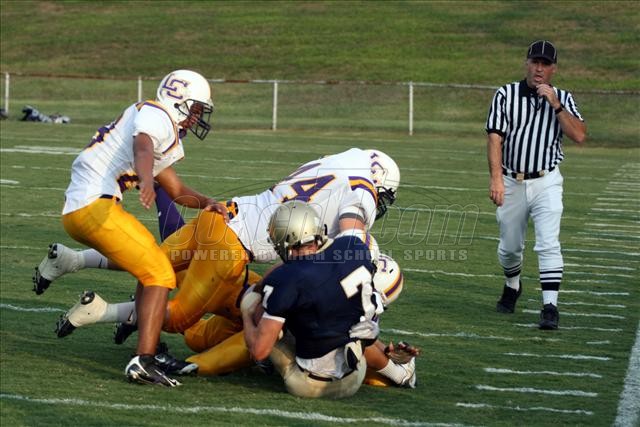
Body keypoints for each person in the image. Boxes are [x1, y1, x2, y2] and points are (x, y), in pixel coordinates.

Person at [43, 148, 401, 370]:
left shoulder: (341, 162)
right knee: (178, 317)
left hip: (223, 214)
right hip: (233, 245)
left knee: (150, 260)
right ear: (379, 182)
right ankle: (103, 312)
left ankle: (74, 260)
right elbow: (345, 243)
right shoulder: (362, 191)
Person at [33, 69, 227, 386]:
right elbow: (143, 148)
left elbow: (176, 189)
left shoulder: (159, 125)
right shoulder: (157, 115)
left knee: (151, 266)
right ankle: (144, 360)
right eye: (194, 108)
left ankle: (151, 349)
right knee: (160, 274)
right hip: (95, 206)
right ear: (178, 101)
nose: (196, 117)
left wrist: (207, 202)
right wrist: (146, 179)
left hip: (86, 209)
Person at [486, 40, 586, 330]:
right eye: (535, 62)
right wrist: (496, 178)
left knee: (548, 243)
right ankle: (513, 285)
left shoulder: (563, 97)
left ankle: (550, 306)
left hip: (547, 180)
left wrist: (556, 105)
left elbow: (579, 135)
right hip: (511, 180)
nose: (539, 68)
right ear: (527, 63)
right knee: (509, 248)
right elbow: (494, 138)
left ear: (554, 69)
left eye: (545, 64)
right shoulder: (505, 94)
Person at [242, 201, 381, 398]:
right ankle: (395, 370)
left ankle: (267, 366)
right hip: (356, 374)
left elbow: (259, 350)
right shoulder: (354, 246)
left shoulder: (287, 279)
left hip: (310, 385)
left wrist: (246, 312)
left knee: (258, 310)